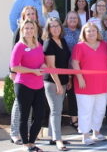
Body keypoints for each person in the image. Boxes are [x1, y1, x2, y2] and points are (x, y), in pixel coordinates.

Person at [71, 22, 107, 145]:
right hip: (84, 85)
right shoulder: (79, 46)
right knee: (85, 110)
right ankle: (85, 135)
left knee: (100, 110)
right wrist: (80, 78)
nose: (91, 33)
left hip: (102, 83)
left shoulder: (105, 45)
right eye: (88, 31)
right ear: (84, 33)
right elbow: (75, 63)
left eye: (93, 30)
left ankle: (96, 132)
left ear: (97, 32)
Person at [10, 19, 46, 152]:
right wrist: (33, 71)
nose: (29, 30)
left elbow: (42, 62)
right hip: (23, 85)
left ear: (35, 30)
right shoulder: (19, 46)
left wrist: (43, 66)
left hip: (39, 85)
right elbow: (14, 67)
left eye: (31, 28)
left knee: (40, 115)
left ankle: (32, 142)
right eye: (26, 28)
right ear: (22, 30)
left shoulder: (38, 44)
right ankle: (26, 144)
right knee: (24, 116)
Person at [42, 17, 71, 151]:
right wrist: (59, 84)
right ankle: (58, 139)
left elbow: (65, 63)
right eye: (52, 26)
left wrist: (68, 79)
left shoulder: (63, 41)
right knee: (56, 111)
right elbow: (51, 67)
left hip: (64, 81)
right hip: (52, 82)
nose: (55, 28)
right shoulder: (49, 43)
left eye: (57, 25)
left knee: (56, 110)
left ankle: (53, 136)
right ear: (48, 29)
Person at [62, 11, 81, 129]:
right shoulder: (63, 32)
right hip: (65, 67)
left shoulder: (81, 32)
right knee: (64, 93)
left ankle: (75, 119)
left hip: (79, 68)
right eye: (71, 18)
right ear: (67, 20)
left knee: (75, 94)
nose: (73, 20)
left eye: (75, 18)